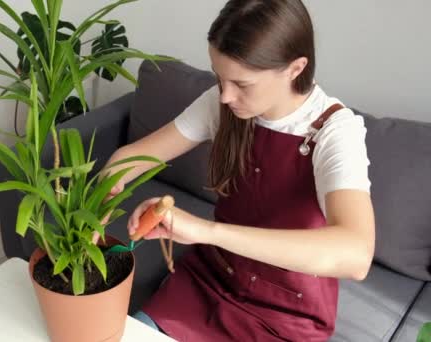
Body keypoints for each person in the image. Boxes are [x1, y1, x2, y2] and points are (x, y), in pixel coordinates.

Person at [98, 0, 376, 340]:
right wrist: (97, 210)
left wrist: (204, 231)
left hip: (286, 315)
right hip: (208, 283)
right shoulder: (223, 102)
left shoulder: (335, 132)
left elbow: (356, 255)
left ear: (295, 68)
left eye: (242, 84)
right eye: (219, 77)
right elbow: (132, 158)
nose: (226, 95)